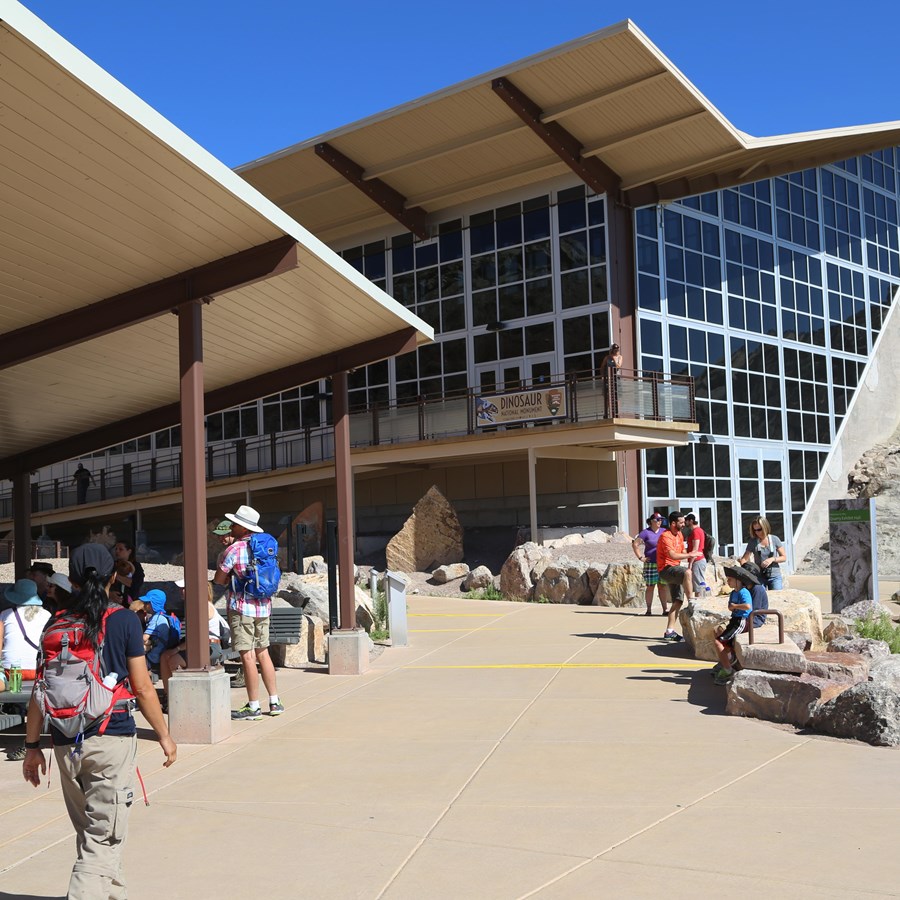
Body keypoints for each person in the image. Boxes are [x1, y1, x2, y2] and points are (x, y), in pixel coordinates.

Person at [22, 544, 176, 899]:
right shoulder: (122, 619)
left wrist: (32, 748)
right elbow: (142, 687)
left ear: (71, 580)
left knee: (95, 836)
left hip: (64, 743)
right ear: (112, 577)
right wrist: (165, 735)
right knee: (102, 839)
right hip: (111, 740)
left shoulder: (55, 623)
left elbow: (38, 693)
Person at [213, 504, 283, 719]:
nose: (231, 527)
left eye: (234, 524)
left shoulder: (234, 550)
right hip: (264, 606)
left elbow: (219, 580)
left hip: (242, 607)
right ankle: (274, 702)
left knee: (247, 656)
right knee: (263, 652)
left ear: (243, 528)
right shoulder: (265, 547)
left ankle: (253, 706)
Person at [158, 580, 228, 709]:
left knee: (173, 660)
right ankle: (170, 697)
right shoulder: (198, 605)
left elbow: (197, 637)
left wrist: (177, 649)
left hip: (210, 647)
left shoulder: (203, 607)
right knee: (165, 657)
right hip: (202, 646)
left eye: (183, 588)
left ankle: (180, 699)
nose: (181, 591)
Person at [656, 510, 703, 642]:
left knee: (678, 601)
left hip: (674, 569)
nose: (684, 524)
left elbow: (681, 551)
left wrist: (693, 551)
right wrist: (690, 555)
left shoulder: (679, 535)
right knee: (687, 572)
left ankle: (669, 631)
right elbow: (673, 556)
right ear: (673, 523)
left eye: (684, 522)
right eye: (681, 522)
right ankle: (692, 601)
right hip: (666, 569)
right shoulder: (665, 537)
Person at [711, 565, 755, 685]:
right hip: (734, 619)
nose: (727, 581)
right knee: (720, 636)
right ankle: (729, 659)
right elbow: (731, 606)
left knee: (719, 641)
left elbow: (747, 606)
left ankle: (728, 669)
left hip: (741, 620)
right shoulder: (733, 593)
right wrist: (732, 607)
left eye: (730, 579)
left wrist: (735, 606)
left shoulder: (743, 592)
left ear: (738, 581)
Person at [632, 513, 669, 616]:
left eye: (661, 520)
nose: (659, 522)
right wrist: (641, 557)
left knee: (662, 586)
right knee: (650, 586)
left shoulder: (664, 531)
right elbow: (635, 544)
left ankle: (665, 609)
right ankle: (648, 609)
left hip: (662, 563)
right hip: (651, 563)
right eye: (657, 520)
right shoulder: (645, 533)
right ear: (652, 521)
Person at [739, 516, 787, 590]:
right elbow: (744, 559)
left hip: (774, 576)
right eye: (755, 530)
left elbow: (784, 557)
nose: (757, 532)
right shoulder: (753, 542)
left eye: (759, 529)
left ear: (765, 527)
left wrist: (772, 559)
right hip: (759, 576)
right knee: (760, 596)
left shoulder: (775, 539)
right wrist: (746, 570)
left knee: (776, 597)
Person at [141, 589, 179, 674]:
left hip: (155, 656)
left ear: (153, 604)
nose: (144, 605)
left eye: (147, 603)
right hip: (159, 653)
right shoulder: (161, 616)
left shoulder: (156, 618)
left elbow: (144, 638)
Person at [112, 540, 145, 605]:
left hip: (130, 602)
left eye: (120, 549)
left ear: (129, 551)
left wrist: (115, 576)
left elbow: (135, 584)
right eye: (116, 549)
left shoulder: (136, 566)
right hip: (114, 601)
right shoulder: (112, 565)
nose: (117, 551)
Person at [683, 514, 709, 598]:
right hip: (699, 560)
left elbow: (695, 549)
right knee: (699, 583)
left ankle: (700, 604)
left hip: (697, 561)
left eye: (686, 519)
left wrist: (690, 564)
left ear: (691, 520)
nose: (685, 522)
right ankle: (701, 601)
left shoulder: (696, 531)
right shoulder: (698, 530)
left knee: (699, 585)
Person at [599, 343, 623, 417]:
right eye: (614, 350)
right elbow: (602, 366)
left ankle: (617, 412)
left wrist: (614, 359)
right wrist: (602, 376)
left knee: (617, 396)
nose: (616, 352)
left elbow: (618, 366)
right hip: (608, 378)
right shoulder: (607, 358)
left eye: (617, 350)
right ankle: (606, 413)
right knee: (607, 396)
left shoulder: (620, 357)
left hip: (616, 378)